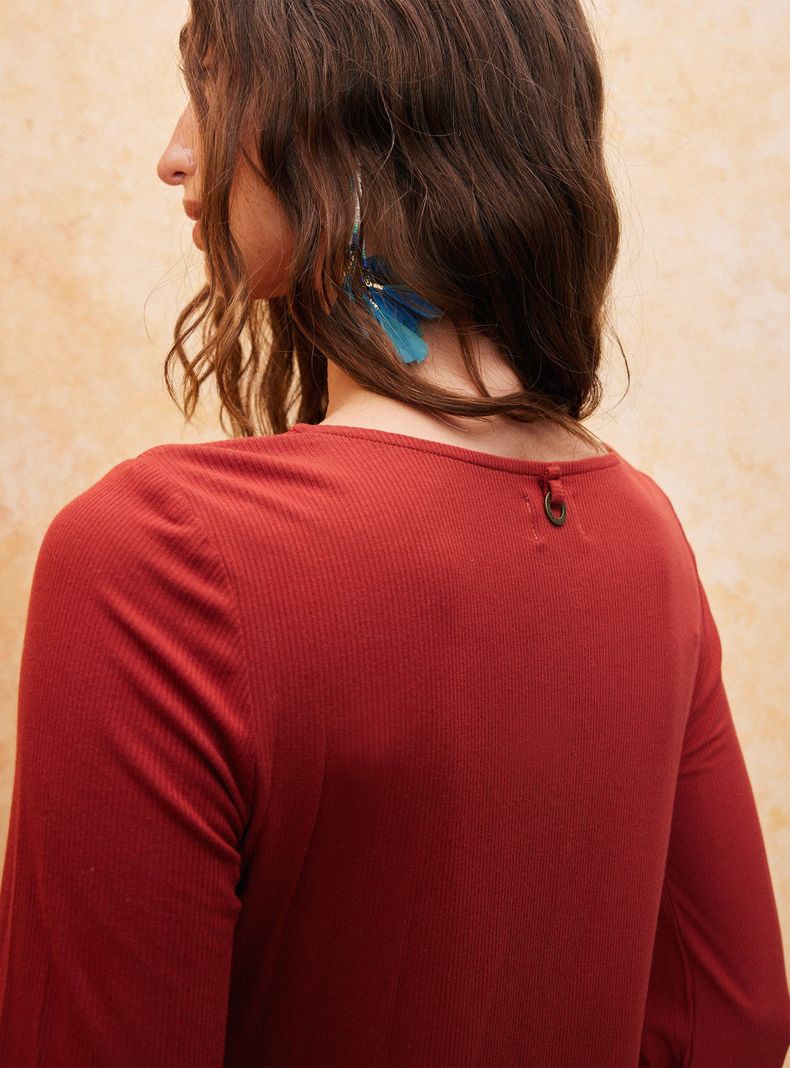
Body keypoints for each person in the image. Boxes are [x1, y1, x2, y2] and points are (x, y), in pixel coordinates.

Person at [1, 1, 789, 1064]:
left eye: (213, 85)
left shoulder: (162, 559)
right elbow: (733, 1019)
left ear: (349, 117)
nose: (175, 155)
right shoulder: (647, 540)